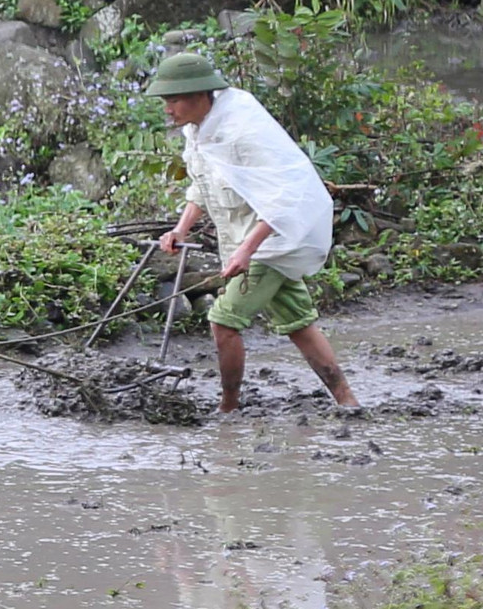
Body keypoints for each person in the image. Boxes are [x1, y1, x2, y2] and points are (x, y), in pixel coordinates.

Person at [144, 52, 360, 413]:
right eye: (166, 101)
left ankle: (228, 408)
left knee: (223, 322)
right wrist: (179, 229)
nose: (168, 109)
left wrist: (248, 251)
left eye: (174, 100)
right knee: (298, 324)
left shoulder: (242, 130)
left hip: (270, 242)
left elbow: (281, 198)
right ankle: (347, 400)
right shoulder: (197, 133)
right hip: (244, 244)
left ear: (200, 95)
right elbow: (202, 187)